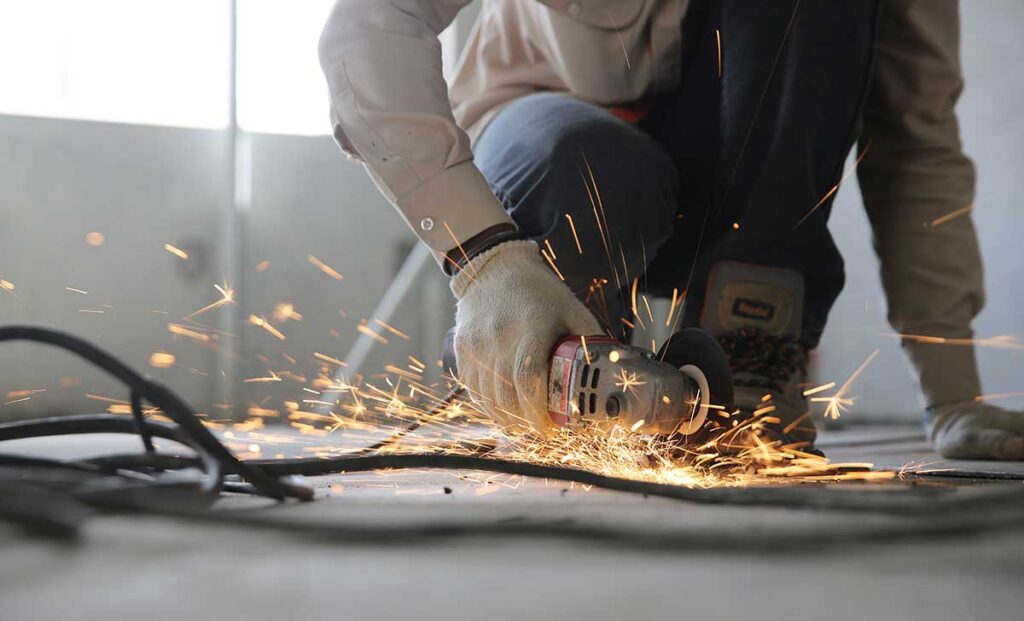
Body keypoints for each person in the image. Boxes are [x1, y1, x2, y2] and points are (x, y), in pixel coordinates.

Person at [318, 0, 1023, 459]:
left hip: (742, 197)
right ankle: (558, 348)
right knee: (584, 165)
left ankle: (749, 351)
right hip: (559, 152)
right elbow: (368, 28)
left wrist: (953, 392)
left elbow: (915, 142)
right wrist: (484, 261)